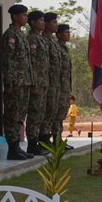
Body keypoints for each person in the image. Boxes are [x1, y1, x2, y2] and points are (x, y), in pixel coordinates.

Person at [1, 3, 33, 159]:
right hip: (15, 83)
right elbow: (7, 61)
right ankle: (12, 148)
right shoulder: (10, 35)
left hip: (24, 82)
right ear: (15, 16)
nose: (25, 18)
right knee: (12, 115)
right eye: (23, 15)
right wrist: (8, 83)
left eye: (26, 15)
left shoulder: (22, 36)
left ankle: (17, 147)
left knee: (20, 115)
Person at [24, 10, 49, 154]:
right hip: (36, 84)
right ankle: (32, 144)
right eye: (40, 20)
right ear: (33, 22)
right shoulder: (31, 39)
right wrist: (33, 83)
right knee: (34, 114)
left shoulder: (40, 39)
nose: (43, 22)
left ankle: (40, 142)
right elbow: (31, 64)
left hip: (44, 83)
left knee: (40, 114)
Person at [41, 12, 62, 146]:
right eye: (53, 22)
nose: (56, 25)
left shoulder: (53, 42)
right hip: (46, 83)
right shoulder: (42, 40)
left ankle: (53, 140)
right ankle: (42, 140)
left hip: (55, 84)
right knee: (45, 113)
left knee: (54, 113)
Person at [55, 23, 73, 145]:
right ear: (59, 34)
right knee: (56, 114)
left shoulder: (65, 49)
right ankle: (56, 139)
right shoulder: (56, 47)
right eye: (66, 32)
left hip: (65, 86)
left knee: (61, 113)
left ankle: (59, 139)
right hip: (57, 86)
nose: (69, 34)